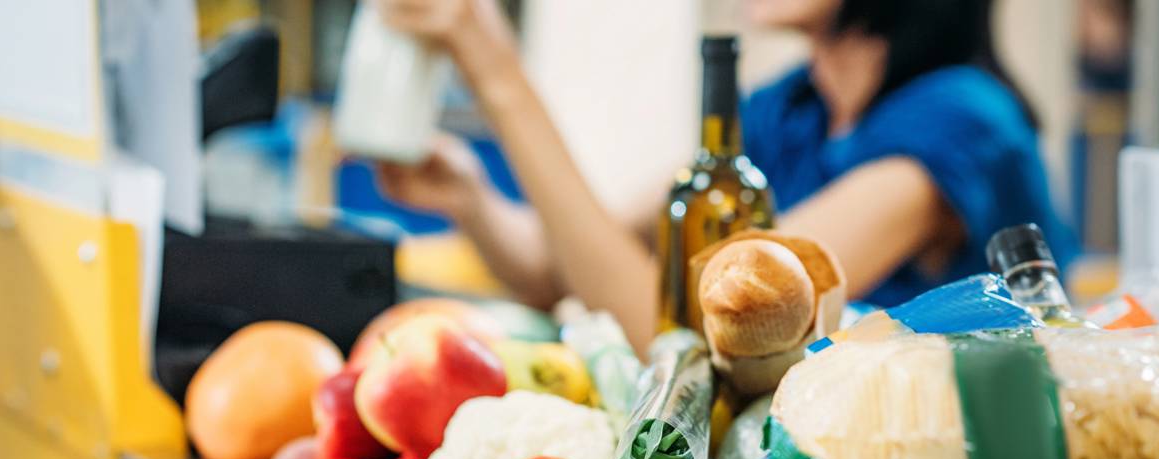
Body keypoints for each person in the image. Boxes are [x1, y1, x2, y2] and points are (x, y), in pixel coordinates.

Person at [373, 0, 1074, 349]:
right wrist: (471, 200)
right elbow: (561, 269)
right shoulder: (791, 109)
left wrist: (497, 73)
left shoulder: (964, 122)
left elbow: (698, 338)